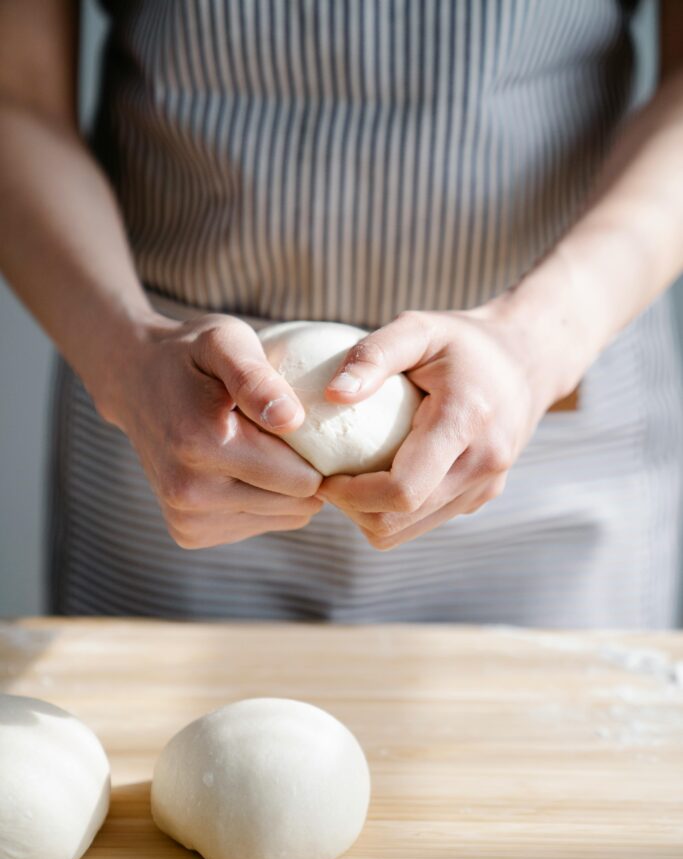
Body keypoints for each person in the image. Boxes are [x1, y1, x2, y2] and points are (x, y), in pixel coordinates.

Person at [1, 1, 682, 626]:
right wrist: (127, 353)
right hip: (175, 427)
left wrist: (534, 345)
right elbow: (15, 95)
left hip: (545, 422)